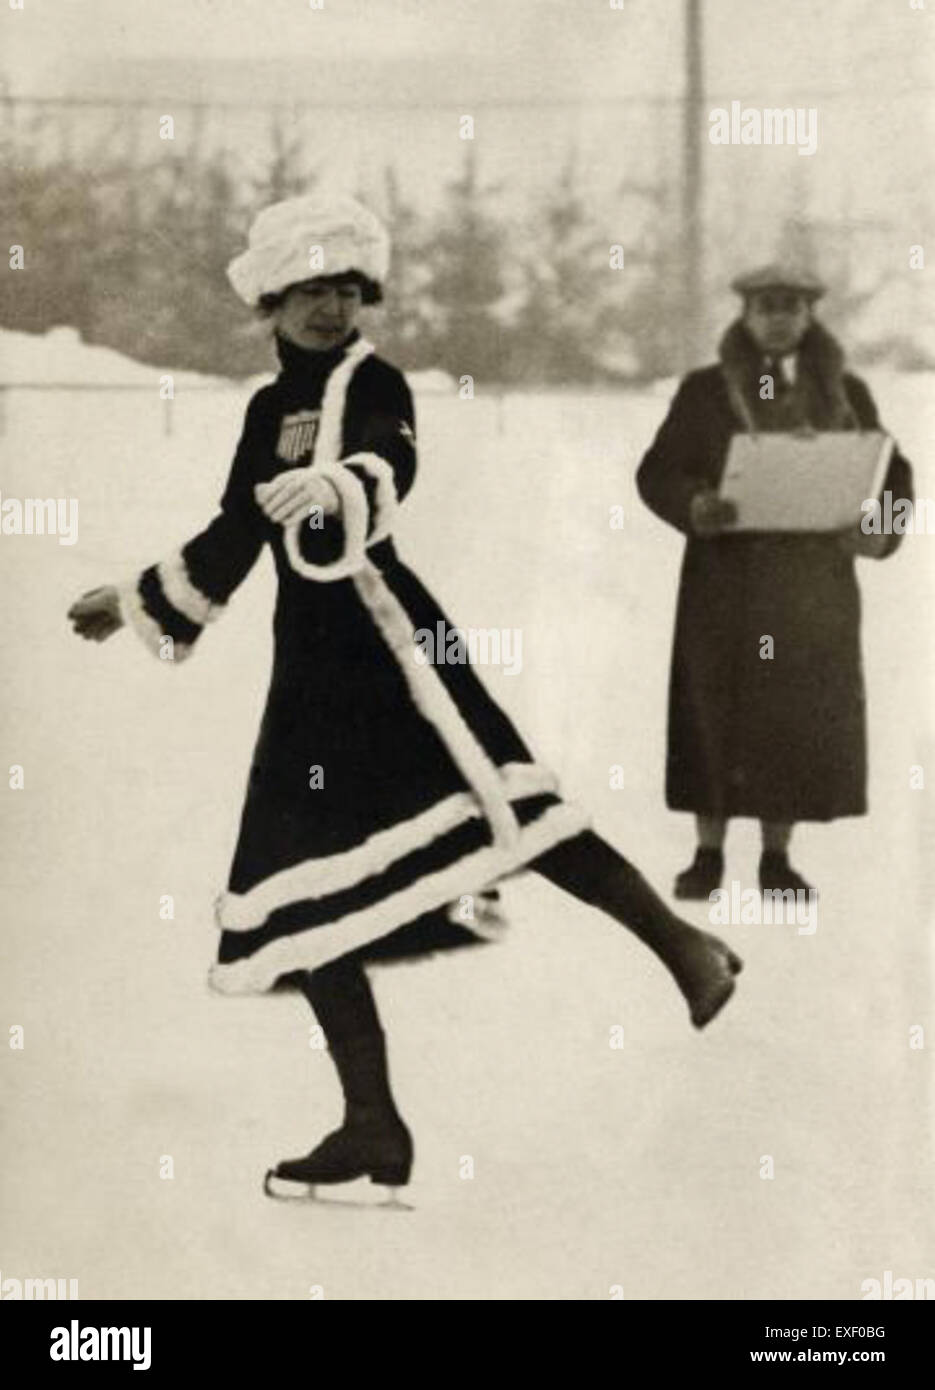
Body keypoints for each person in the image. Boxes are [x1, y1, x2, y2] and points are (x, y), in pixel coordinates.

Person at [69, 194, 741, 1201]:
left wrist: (340, 485)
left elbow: (393, 456)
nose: (328, 309)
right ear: (272, 301)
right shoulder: (264, 411)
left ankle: (683, 948)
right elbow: (233, 534)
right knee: (296, 883)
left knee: (503, 799)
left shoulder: (373, 380)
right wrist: (132, 601)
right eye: (307, 292)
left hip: (394, 645)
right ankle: (371, 1122)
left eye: (344, 290)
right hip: (310, 674)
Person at [636, 264, 913, 900]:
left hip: (810, 590)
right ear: (745, 313)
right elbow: (657, 473)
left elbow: (894, 475)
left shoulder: (847, 392)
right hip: (725, 585)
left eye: (792, 305)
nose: (779, 317)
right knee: (715, 709)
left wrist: (878, 528)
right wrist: (696, 505)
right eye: (766, 305)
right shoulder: (704, 392)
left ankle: (777, 858)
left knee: (791, 716)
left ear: (811, 314)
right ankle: (707, 854)